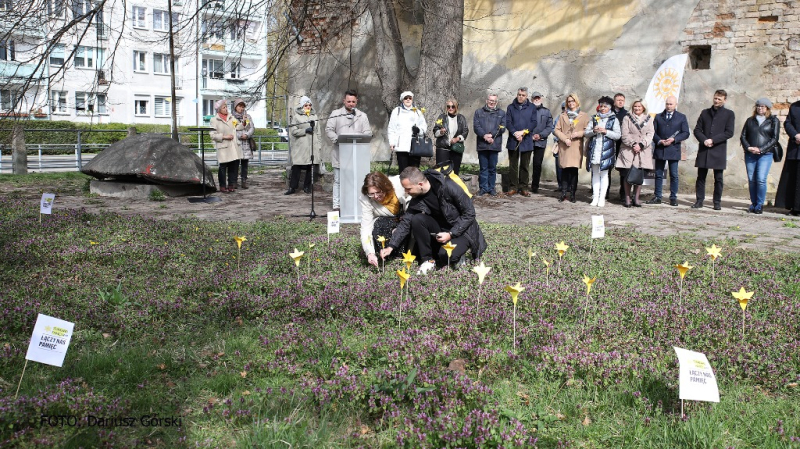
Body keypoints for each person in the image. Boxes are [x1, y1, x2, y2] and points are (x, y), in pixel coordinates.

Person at [380, 166, 487, 275]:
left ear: (420, 185)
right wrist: (391, 246)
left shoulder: (448, 186)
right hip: (441, 231)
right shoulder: (417, 198)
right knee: (417, 219)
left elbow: (469, 213)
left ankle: (459, 255)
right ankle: (427, 260)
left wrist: (451, 234)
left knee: (445, 256)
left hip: (463, 232)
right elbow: (406, 222)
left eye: (408, 189)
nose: (406, 192)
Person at [325, 89, 372, 211]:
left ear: (357, 101)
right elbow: (329, 129)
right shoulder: (336, 113)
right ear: (344, 101)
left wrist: (361, 139)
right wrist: (338, 140)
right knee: (339, 180)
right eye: (348, 101)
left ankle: (356, 204)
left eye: (353, 102)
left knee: (356, 180)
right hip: (340, 153)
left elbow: (368, 133)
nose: (351, 104)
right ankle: (337, 205)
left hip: (357, 154)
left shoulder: (362, 116)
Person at [692, 89, 736, 210]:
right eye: (715, 98)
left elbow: (729, 132)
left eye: (719, 99)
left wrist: (713, 140)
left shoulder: (729, 114)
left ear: (724, 100)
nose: (716, 101)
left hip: (718, 149)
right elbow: (697, 130)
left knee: (718, 178)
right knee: (701, 177)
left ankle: (717, 202)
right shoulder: (705, 112)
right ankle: (699, 200)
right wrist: (704, 140)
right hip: (704, 149)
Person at [360, 172, 410, 267]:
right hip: (386, 221)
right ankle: (389, 258)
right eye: (371, 194)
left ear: (385, 187)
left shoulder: (400, 184)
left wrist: (400, 228)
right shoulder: (365, 199)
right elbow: (366, 227)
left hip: (405, 218)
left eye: (378, 192)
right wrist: (369, 252)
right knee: (380, 224)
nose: (375, 196)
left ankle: (404, 255)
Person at [740, 98, 780, 214]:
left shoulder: (773, 121)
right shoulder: (750, 120)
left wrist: (761, 149)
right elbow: (743, 136)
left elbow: (774, 139)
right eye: (758, 106)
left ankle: (760, 204)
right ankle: (753, 203)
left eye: (762, 106)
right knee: (752, 180)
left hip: (766, 154)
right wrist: (748, 147)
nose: (760, 108)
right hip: (750, 154)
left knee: (761, 179)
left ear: (767, 108)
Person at [649, 95, 690, 206]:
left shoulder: (681, 117)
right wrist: (659, 141)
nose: (668, 106)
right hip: (660, 149)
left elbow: (686, 133)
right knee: (658, 174)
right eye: (667, 104)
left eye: (671, 104)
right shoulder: (658, 117)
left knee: (674, 174)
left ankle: (673, 197)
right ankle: (657, 196)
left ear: (676, 105)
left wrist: (674, 139)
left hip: (673, 149)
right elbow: (652, 132)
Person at [616, 99, 654, 207]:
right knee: (627, 174)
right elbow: (624, 134)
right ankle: (627, 198)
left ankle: (636, 198)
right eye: (635, 106)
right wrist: (633, 144)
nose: (637, 108)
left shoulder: (649, 119)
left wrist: (641, 145)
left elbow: (650, 134)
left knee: (639, 174)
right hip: (628, 150)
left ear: (643, 108)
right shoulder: (627, 118)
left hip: (643, 150)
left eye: (639, 106)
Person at [553, 93, 590, 202]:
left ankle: (573, 194)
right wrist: (565, 139)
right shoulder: (562, 115)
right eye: (569, 101)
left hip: (576, 145)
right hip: (564, 145)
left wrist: (578, 133)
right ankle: (564, 192)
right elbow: (556, 130)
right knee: (564, 169)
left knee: (573, 170)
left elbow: (587, 130)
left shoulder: (584, 115)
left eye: (573, 101)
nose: (571, 103)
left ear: (577, 102)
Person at [585, 96, 621, 207]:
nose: (602, 108)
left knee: (604, 175)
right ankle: (595, 197)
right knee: (595, 173)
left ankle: (602, 198)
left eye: (605, 106)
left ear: (609, 108)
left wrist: (606, 131)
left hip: (606, 150)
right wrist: (593, 131)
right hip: (595, 149)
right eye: (601, 106)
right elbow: (586, 132)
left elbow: (618, 135)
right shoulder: (594, 118)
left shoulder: (613, 119)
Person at [505, 87, 538, 196]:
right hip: (513, 140)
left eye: (523, 95)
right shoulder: (510, 107)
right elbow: (508, 122)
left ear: (526, 96)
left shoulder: (532, 107)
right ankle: (513, 187)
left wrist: (523, 132)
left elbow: (533, 123)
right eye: (519, 94)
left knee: (525, 165)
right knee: (513, 165)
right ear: (517, 94)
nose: (520, 97)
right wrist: (515, 133)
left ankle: (524, 187)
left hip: (526, 140)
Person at [286, 96, 322, 195]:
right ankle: (292, 187)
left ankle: (307, 186)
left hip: (312, 145)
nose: (308, 107)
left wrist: (319, 145)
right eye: (306, 105)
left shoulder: (314, 116)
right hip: (301, 146)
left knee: (311, 166)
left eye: (310, 105)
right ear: (302, 106)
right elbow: (293, 131)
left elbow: (318, 132)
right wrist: (305, 130)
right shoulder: (296, 117)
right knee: (297, 166)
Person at [473, 93, 505, 196]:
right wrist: (484, 136)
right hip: (482, 144)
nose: (492, 102)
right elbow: (476, 126)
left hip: (494, 144)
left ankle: (491, 188)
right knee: (483, 168)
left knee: (492, 168)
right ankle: (483, 188)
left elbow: (503, 127)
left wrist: (491, 136)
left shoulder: (501, 113)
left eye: (494, 101)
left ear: (497, 102)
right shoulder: (478, 112)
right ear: (487, 100)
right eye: (490, 100)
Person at [388, 91, 428, 174]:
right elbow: (391, 128)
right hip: (401, 146)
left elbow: (424, 127)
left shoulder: (417, 112)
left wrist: (418, 130)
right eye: (406, 98)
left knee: (414, 171)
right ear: (402, 100)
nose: (408, 100)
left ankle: (413, 187)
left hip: (415, 146)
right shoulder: (397, 111)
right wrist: (392, 142)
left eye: (410, 98)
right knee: (403, 171)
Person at [209, 99, 242, 193]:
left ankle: (231, 185)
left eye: (226, 107)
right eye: (224, 107)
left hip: (233, 146)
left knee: (233, 166)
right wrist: (224, 137)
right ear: (219, 109)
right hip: (223, 146)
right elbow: (212, 135)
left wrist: (245, 122)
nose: (226, 109)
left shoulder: (231, 118)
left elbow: (239, 126)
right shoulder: (214, 120)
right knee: (223, 167)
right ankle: (222, 186)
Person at [776, 99, 800, 216]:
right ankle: (794, 208)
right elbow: (787, 123)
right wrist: (795, 135)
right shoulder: (794, 106)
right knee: (793, 178)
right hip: (795, 148)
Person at [433, 98, 469, 175]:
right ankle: (442, 187)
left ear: (456, 107)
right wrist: (441, 132)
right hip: (443, 147)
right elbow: (435, 131)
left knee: (454, 172)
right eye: (448, 106)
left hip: (456, 148)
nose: (450, 108)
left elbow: (465, 131)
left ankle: (452, 187)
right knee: (441, 171)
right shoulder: (442, 117)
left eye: (452, 106)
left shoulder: (461, 118)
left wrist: (458, 138)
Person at [529, 92, 554, 193]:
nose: (536, 99)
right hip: (528, 140)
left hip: (541, 141)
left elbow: (549, 126)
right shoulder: (527, 110)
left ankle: (535, 186)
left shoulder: (546, 112)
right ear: (531, 99)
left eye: (538, 98)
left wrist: (540, 135)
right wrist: (530, 135)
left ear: (541, 99)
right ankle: (523, 185)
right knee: (525, 163)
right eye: (535, 98)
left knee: (537, 164)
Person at [231, 98, 255, 189]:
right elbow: (234, 128)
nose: (241, 108)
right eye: (239, 106)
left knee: (245, 163)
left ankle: (244, 180)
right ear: (235, 107)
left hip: (246, 143)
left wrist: (247, 135)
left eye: (242, 106)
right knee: (235, 163)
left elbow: (251, 128)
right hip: (237, 142)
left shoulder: (247, 117)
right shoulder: (232, 117)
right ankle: (234, 181)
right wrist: (238, 136)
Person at [611, 93, 628, 200]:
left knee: (623, 169)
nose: (620, 102)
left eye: (622, 100)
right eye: (618, 100)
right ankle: (605, 192)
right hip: (610, 144)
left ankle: (623, 192)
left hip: (622, 145)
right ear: (614, 101)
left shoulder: (627, 114)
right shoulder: (609, 113)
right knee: (606, 168)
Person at [552, 101, 565, 192]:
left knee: (568, 167)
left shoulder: (574, 118)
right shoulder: (558, 118)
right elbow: (554, 130)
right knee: (559, 166)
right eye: (564, 108)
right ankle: (560, 185)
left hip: (569, 145)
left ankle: (568, 186)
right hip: (559, 144)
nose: (565, 110)